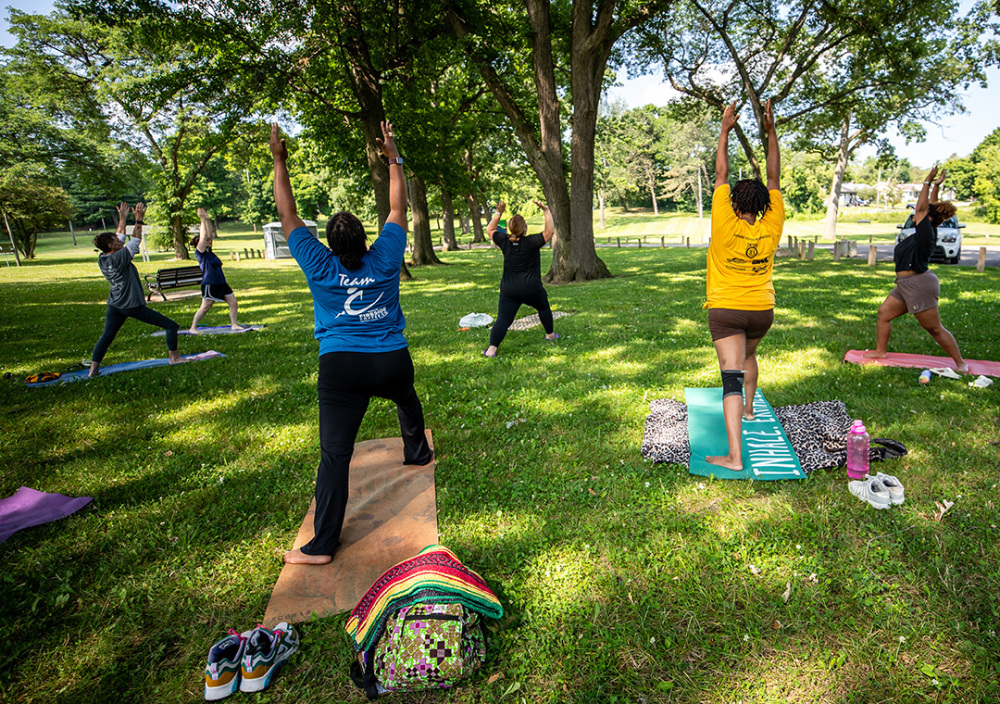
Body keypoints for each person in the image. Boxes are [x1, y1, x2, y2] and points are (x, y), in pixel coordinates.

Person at [271, 120, 432, 565]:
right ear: (364, 237)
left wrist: (279, 161)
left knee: (334, 456)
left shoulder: (318, 262)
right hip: (392, 361)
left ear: (328, 242)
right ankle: (417, 452)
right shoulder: (384, 254)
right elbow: (398, 208)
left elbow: (288, 215)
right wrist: (393, 157)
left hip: (342, 368)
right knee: (406, 396)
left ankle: (322, 546)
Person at [704, 99, 784, 472]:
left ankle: (735, 457)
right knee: (749, 355)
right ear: (764, 205)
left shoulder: (723, 218)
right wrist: (770, 133)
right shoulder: (771, 226)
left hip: (726, 310)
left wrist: (724, 131)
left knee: (730, 378)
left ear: (735, 202)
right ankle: (751, 410)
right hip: (761, 312)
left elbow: (720, 174)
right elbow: (774, 178)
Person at [863, 167, 967, 372]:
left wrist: (927, 182)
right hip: (905, 284)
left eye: (922, 212)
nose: (916, 213)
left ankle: (960, 363)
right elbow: (929, 208)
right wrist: (936, 186)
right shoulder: (926, 229)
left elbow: (923, 209)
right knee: (884, 313)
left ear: (926, 217)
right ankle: (880, 351)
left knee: (934, 329)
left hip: (918, 284)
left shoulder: (926, 230)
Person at [89, 201, 182, 377]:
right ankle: (174, 358)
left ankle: (93, 370)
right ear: (111, 246)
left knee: (106, 337)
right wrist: (138, 220)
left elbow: (120, 236)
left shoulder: (103, 258)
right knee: (171, 325)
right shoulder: (121, 257)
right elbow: (136, 239)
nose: (119, 240)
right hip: (130, 304)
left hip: (115, 304)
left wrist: (123, 218)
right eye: (116, 241)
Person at [482, 201, 558, 357]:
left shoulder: (504, 241)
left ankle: (491, 350)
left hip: (510, 290)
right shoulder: (531, 242)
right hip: (532, 288)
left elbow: (490, 229)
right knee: (543, 308)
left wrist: (499, 213)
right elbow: (549, 231)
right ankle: (550, 335)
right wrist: (546, 211)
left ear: (510, 228)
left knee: (503, 319)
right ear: (525, 228)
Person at [189, 207, 246, 333]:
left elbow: (208, 235)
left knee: (233, 303)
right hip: (210, 283)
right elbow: (204, 236)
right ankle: (193, 327)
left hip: (221, 282)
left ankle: (234, 324)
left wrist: (207, 220)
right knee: (205, 308)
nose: (209, 241)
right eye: (206, 241)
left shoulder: (210, 252)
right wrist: (202, 219)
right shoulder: (201, 253)